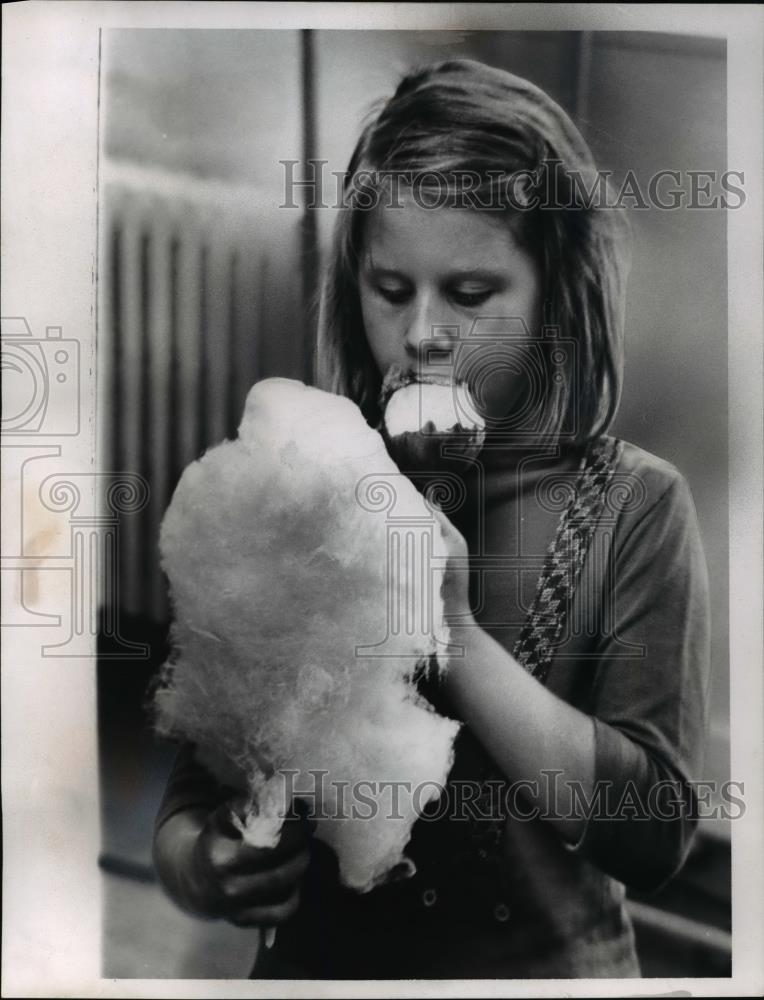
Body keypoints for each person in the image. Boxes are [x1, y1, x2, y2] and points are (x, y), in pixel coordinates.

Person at [152, 58, 711, 979]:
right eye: (390, 289)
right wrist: (206, 869)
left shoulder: (637, 508)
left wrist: (452, 629)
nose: (421, 335)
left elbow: (652, 837)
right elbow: (191, 801)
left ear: (555, 294)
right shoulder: (308, 478)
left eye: (470, 294)